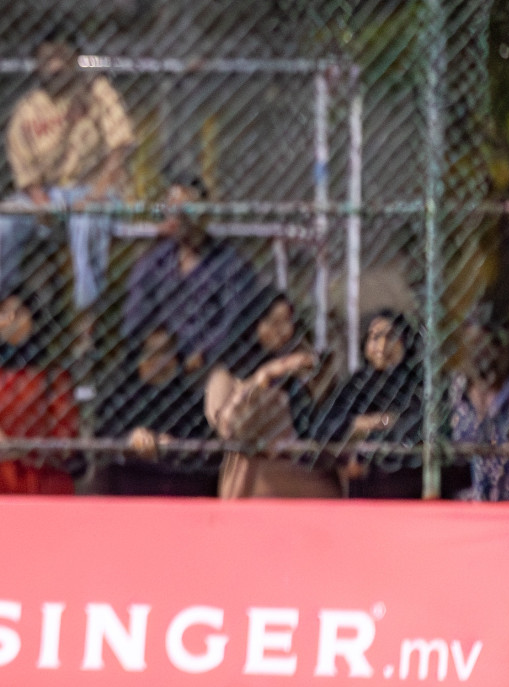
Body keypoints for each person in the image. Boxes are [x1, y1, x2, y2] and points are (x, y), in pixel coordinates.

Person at [0, 27, 135, 314]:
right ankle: (4, 311)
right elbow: (24, 171)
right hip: (49, 194)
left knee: (86, 220)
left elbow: (120, 147)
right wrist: (41, 203)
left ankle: (86, 316)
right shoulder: (27, 108)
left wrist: (97, 193)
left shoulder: (97, 91)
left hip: (96, 189)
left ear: (76, 59)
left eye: (62, 57)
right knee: (0, 223)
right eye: (46, 58)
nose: (54, 66)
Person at [204, 288, 340, 499]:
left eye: (286, 322)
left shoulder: (301, 368)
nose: (281, 331)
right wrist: (266, 376)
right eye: (272, 322)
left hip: (309, 487)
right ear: (253, 324)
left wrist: (317, 376)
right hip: (255, 488)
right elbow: (226, 427)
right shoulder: (227, 375)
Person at [123, 174, 260, 372]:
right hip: (162, 357)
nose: (176, 217)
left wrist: (204, 352)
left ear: (203, 213)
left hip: (209, 362)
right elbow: (136, 311)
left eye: (185, 210)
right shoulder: (155, 261)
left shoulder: (229, 263)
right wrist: (150, 344)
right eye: (171, 209)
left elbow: (234, 321)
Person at [0, 288, 79, 494]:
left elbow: (66, 436)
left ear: (33, 320)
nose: (11, 320)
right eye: (4, 313)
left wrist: (14, 444)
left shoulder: (51, 376)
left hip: (41, 481)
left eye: (20, 313)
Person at [316, 310, 425, 498]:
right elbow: (323, 425)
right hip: (359, 482)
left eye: (391, 337)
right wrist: (368, 423)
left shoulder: (416, 382)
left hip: (404, 480)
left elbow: (413, 423)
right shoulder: (356, 384)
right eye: (374, 338)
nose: (381, 346)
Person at [97, 327, 217, 496]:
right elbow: (104, 436)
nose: (159, 361)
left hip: (179, 489)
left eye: (165, 352)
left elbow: (205, 443)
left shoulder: (190, 399)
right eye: (151, 353)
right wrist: (130, 438)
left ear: (176, 359)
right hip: (131, 488)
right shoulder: (121, 397)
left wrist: (178, 447)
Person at [448, 317, 509, 501]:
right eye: (471, 345)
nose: (479, 353)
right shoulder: (457, 389)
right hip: (464, 494)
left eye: (484, 345)